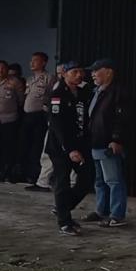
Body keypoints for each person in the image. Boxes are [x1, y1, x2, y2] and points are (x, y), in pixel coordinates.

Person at [46, 62, 93, 236]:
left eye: (81, 72)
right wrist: (70, 149)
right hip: (60, 147)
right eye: (74, 72)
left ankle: (62, 207)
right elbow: (58, 125)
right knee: (62, 181)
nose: (79, 75)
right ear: (64, 74)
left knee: (87, 178)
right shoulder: (57, 95)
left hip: (80, 144)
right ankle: (64, 222)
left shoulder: (82, 93)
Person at [86, 58, 128, 228]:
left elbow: (122, 118)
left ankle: (117, 214)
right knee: (99, 180)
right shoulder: (98, 91)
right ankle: (101, 211)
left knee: (113, 180)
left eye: (96, 70)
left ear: (109, 71)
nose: (93, 74)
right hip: (95, 142)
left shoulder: (118, 92)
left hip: (108, 143)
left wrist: (116, 139)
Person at [0, 60, 25, 182]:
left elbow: (21, 100)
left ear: (7, 70)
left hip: (9, 119)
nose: (0, 70)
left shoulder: (14, 82)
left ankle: (7, 171)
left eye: (3, 68)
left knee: (8, 147)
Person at [21, 52, 56, 185]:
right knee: (26, 145)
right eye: (31, 60)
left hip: (40, 116)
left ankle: (36, 175)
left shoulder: (49, 78)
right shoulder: (30, 79)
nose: (32, 63)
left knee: (37, 146)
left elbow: (53, 96)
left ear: (44, 62)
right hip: (27, 115)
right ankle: (26, 173)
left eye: (35, 60)